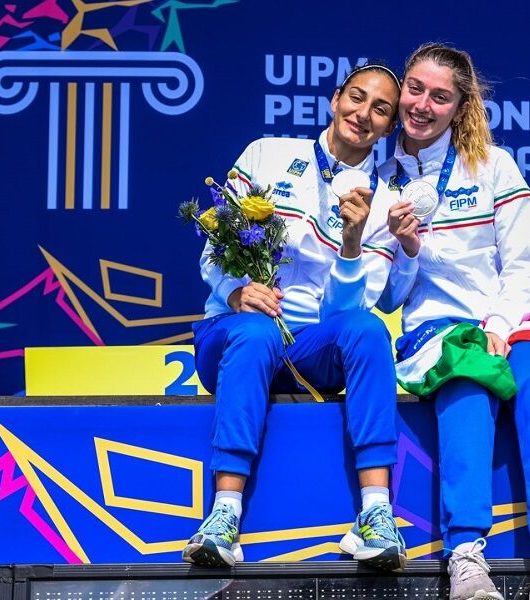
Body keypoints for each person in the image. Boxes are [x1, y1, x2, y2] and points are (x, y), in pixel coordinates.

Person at [183, 63, 417, 571]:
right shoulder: (266, 154)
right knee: (256, 331)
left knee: (368, 331)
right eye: (357, 97)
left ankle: (377, 515)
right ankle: (223, 516)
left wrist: (352, 243)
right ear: (335, 99)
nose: (364, 114)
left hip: (312, 349)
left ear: (389, 127)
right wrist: (236, 291)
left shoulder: (386, 200)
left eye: (381, 109)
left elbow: (343, 316)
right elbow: (213, 249)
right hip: (236, 334)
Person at [380, 44, 530, 600]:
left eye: (440, 96)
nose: (422, 105)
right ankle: (466, 556)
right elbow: (388, 295)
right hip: (436, 331)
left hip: (511, 320)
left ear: (460, 106)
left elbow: (526, 266)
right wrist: (406, 249)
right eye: (415, 89)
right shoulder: (380, 177)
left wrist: (498, 323)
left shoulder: (494, 166)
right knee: (469, 381)